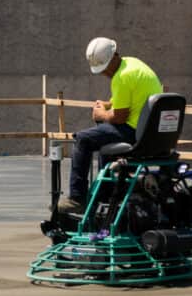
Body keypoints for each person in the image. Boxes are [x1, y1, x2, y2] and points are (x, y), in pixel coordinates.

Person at [58, 37, 163, 214]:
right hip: (150, 132)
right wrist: (108, 105)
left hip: (134, 132)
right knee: (102, 134)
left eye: (104, 68)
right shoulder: (133, 64)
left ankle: (77, 199)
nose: (103, 73)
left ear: (114, 57)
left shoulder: (121, 77)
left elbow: (120, 117)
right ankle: (107, 190)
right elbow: (127, 101)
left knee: (83, 139)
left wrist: (101, 114)